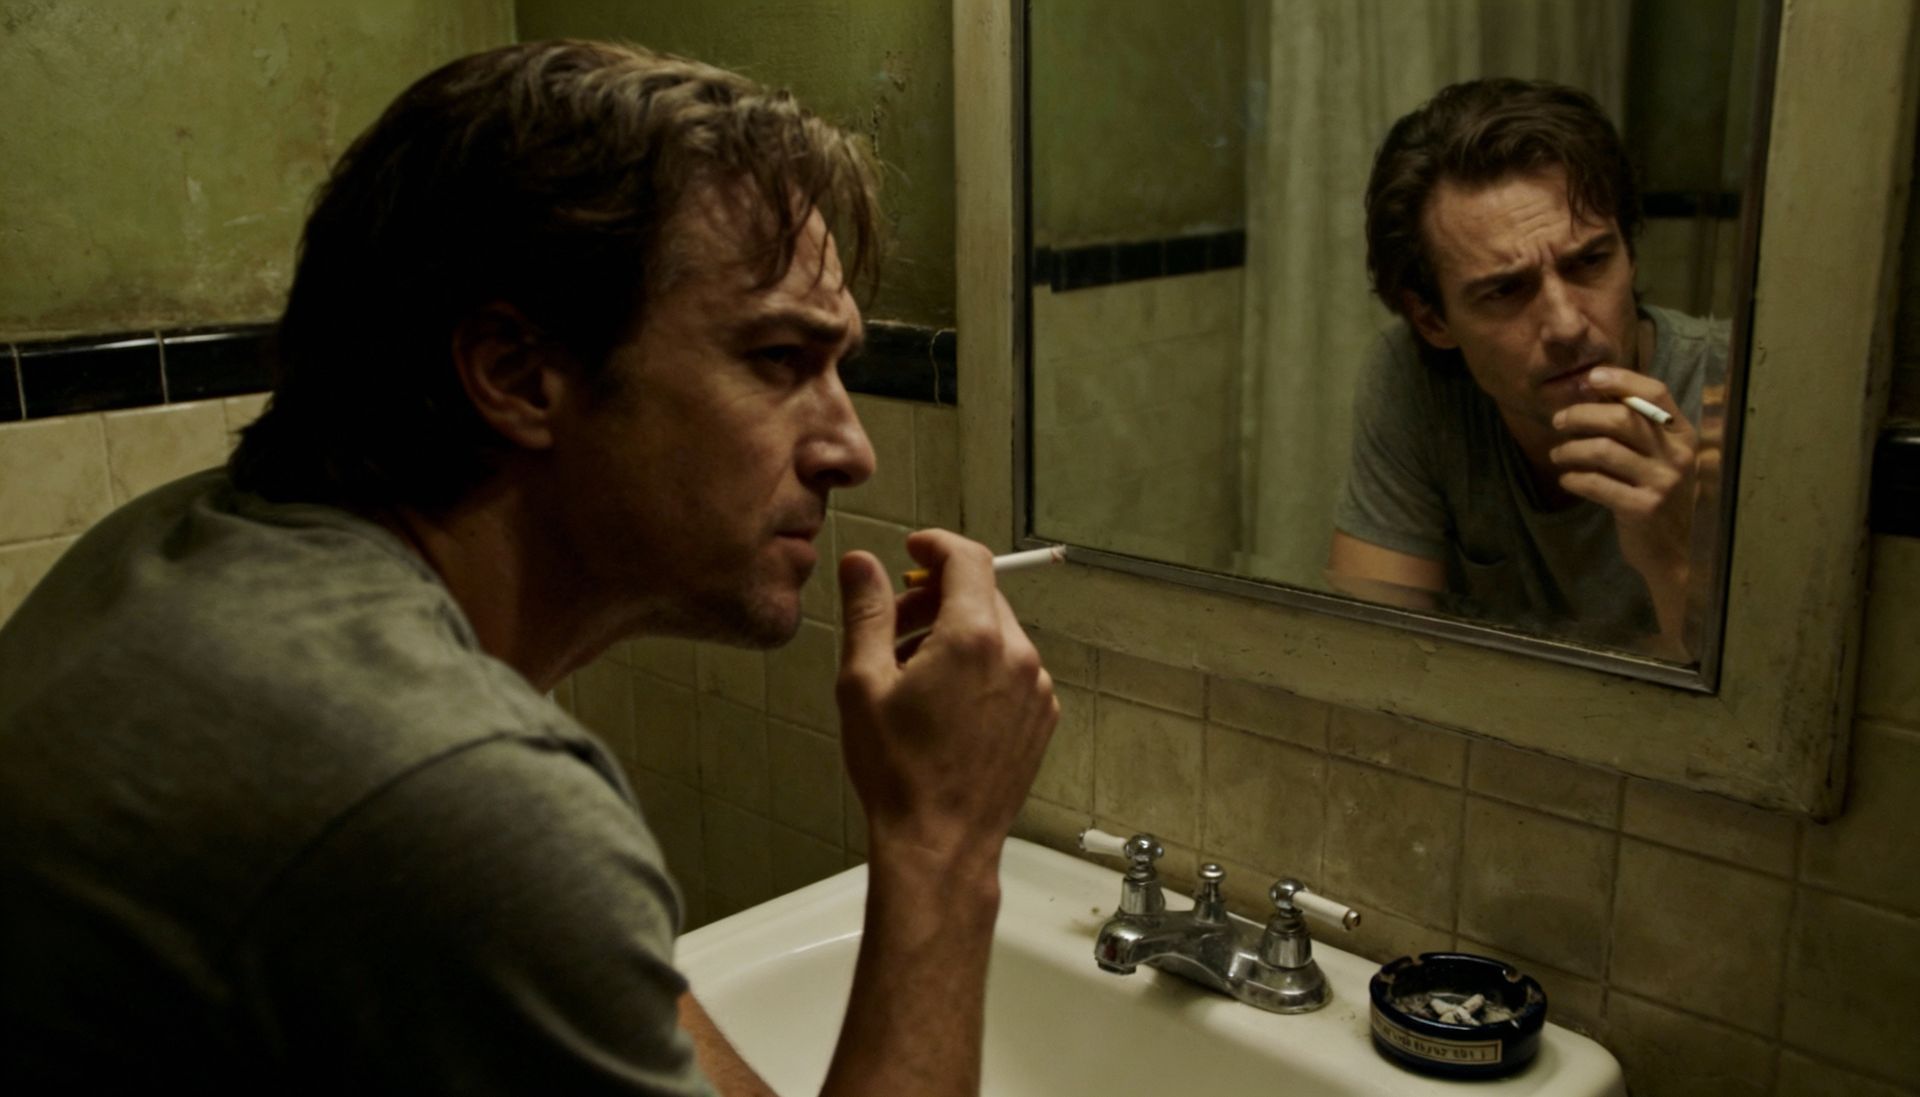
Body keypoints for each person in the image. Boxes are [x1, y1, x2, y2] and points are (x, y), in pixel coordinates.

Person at [0, 40, 1058, 1095]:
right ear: (517, 375)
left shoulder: (173, 549)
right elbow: (482, 830)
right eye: (779, 359)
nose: (852, 448)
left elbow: (601, 989)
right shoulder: (442, 782)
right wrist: (941, 842)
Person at [1327, 77, 1726, 655]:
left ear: (1630, 253)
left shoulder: (1735, 384)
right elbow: (1370, 652)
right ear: (1433, 321)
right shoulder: (1414, 380)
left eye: (1590, 261)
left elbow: (1769, 714)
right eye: (1505, 291)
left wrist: (1679, 556)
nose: (1566, 325)